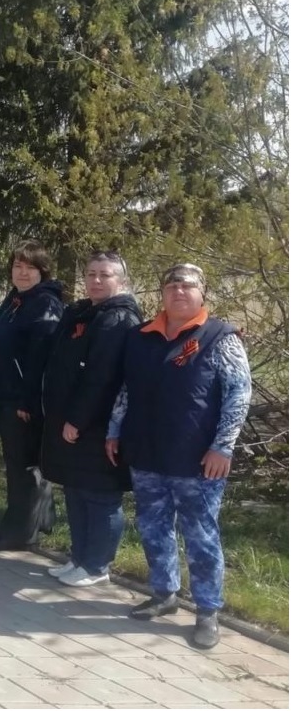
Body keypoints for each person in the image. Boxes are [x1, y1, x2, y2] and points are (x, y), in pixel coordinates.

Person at [107, 263, 251, 649]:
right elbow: (126, 390)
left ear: (201, 292)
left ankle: (207, 610)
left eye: (187, 285)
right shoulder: (141, 337)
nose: (178, 291)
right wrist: (114, 430)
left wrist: (223, 446)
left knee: (200, 535)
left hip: (198, 459)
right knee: (153, 527)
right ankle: (164, 593)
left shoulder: (220, 336)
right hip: (147, 451)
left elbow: (239, 395)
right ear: (162, 293)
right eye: (171, 285)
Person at [40, 251, 142, 586]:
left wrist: (78, 420)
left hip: (96, 426)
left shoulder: (118, 319)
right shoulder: (86, 312)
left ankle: (98, 565)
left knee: (99, 495)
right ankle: (80, 558)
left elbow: (101, 378)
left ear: (120, 281)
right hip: (69, 421)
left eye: (105, 275)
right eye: (91, 274)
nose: (96, 280)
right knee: (76, 490)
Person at [0, 239, 63, 550]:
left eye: (29, 268)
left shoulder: (44, 303)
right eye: (17, 266)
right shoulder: (17, 299)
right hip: (4, 395)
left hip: (21, 400)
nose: (22, 273)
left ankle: (19, 533)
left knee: (23, 465)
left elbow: (42, 358)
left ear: (43, 271)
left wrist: (28, 400)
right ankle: (35, 521)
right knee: (20, 462)